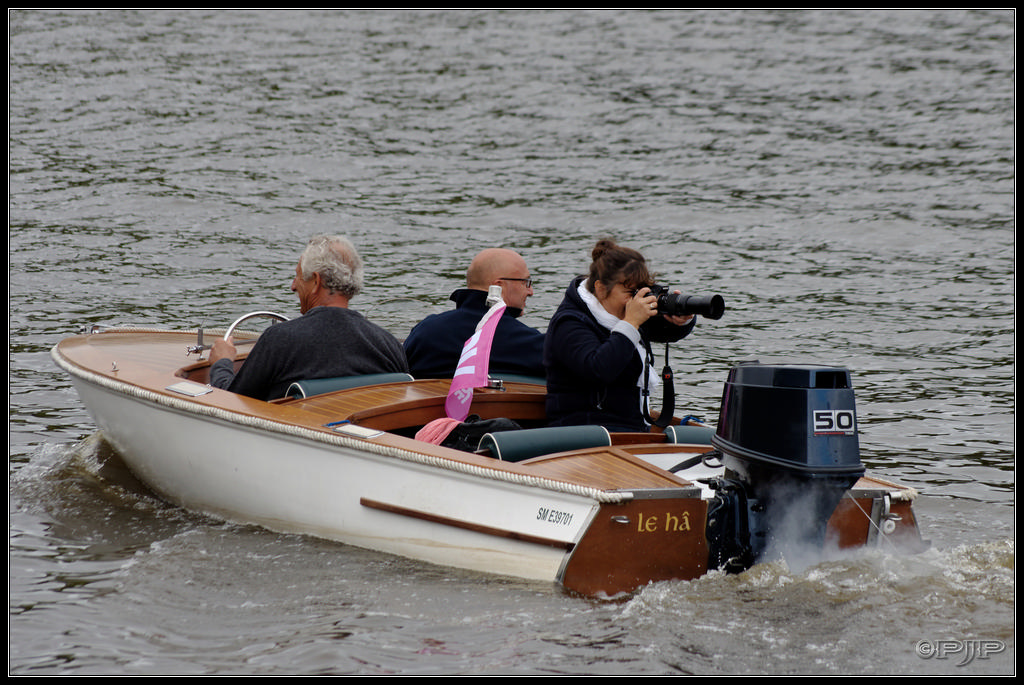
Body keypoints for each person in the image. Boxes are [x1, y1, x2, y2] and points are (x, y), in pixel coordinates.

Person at [209, 235, 409, 401]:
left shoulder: (280, 340)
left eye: (298, 276)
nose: (293, 286)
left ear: (315, 281)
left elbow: (232, 401)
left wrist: (222, 362)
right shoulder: (389, 345)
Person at [543, 239, 696, 432]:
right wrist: (631, 323)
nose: (636, 299)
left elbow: (665, 330)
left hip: (629, 429)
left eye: (642, 290)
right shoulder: (569, 323)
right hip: (582, 433)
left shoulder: (622, 312)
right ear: (600, 288)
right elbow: (598, 369)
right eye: (630, 291)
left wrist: (681, 318)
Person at [403, 248, 545, 380]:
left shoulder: (425, 332)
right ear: (499, 286)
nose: (531, 291)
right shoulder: (530, 343)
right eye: (526, 282)